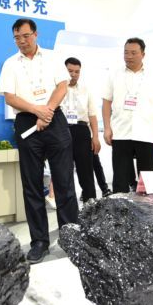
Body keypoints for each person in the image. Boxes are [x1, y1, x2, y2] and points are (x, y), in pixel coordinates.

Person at [0, 18, 78, 264]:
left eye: (25, 36)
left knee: (64, 181)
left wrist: (48, 111)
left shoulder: (53, 57)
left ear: (35, 34)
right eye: (17, 38)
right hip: (26, 122)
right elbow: (10, 97)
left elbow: (62, 86)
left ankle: (70, 236)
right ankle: (39, 241)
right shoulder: (10, 64)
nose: (21, 41)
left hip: (55, 120)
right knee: (32, 184)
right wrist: (37, 111)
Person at [102, 38, 153, 194]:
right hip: (121, 133)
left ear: (143, 54)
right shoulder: (114, 74)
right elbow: (106, 102)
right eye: (126, 53)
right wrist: (107, 128)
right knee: (120, 179)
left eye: (133, 53)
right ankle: (120, 208)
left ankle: (146, 208)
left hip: (147, 133)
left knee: (146, 180)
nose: (129, 56)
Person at [62, 57, 102, 203]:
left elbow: (92, 114)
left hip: (82, 130)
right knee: (64, 170)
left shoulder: (86, 89)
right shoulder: (57, 88)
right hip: (62, 130)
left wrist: (95, 137)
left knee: (86, 170)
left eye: (77, 72)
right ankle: (68, 206)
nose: (73, 74)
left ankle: (90, 203)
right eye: (70, 71)